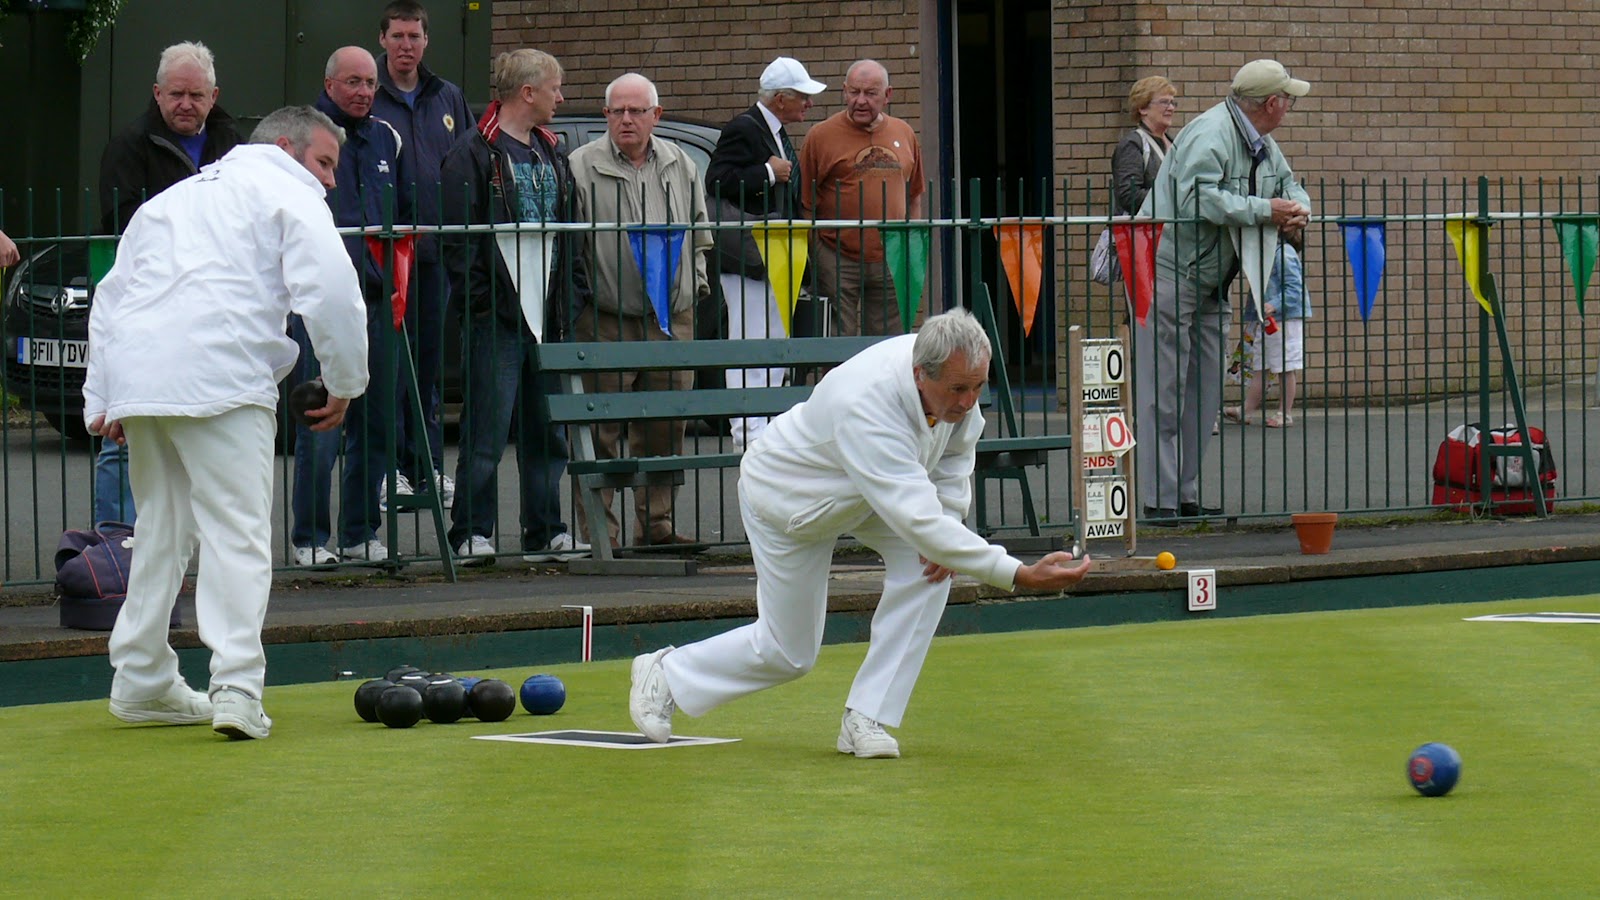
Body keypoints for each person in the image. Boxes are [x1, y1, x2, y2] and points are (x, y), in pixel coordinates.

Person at [627, 308, 1094, 757]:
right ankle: (666, 674)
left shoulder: (954, 385)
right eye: (958, 389)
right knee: (788, 654)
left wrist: (951, 529)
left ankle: (867, 716)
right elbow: (918, 519)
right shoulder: (868, 403)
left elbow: (953, 464)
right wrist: (1017, 573)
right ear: (920, 375)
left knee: (932, 566)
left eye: (978, 387)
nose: (969, 402)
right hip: (788, 502)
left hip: (865, 495)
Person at [85, 105, 368, 740]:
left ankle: (140, 679)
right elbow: (331, 289)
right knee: (237, 532)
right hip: (224, 376)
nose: (330, 180)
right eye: (325, 163)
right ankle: (237, 686)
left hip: (144, 377)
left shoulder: (171, 201)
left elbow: (113, 294)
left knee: (162, 529)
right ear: (287, 148)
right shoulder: (288, 192)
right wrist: (347, 383)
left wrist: (105, 394)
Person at [1133, 59, 1311, 522]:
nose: (1289, 107)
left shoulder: (1262, 144)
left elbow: (1290, 185)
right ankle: (1160, 499)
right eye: (1288, 100)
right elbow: (1199, 199)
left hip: (1214, 280)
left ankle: (1184, 494)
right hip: (1171, 271)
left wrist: (1298, 209)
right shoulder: (1210, 134)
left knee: (1205, 391)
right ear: (1271, 103)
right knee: (1163, 389)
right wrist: (1266, 210)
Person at [440, 48, 591, 566]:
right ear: (528, 93)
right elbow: (458, 241)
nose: (560, 97)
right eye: (555, 87)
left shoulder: (551, 151)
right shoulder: (473, 153)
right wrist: (482, 303)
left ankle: (545, 532)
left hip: (549, 313)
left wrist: (573, 293)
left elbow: (570, 232)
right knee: (486, 429)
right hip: (497, 318)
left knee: (547, 430)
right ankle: (470, 532)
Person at [95, 41, 243, 528]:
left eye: (196, 95)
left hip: (211, 306)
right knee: (127, 426)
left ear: (214, 96)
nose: (186, 104)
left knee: (199, 430)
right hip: (147, 304)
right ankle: (115, 544)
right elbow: (123, 227)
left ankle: (176, 543)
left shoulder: (233, 145)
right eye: (176, 94)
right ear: (157, 93)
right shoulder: (128, 147)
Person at [568, 73, 713, 550]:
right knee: (601, 431)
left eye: (636, 111)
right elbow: (570, 247)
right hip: (606, 319)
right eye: (617, 111)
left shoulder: (680, 163)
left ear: (657, 115)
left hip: (671, 320)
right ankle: (600, 536)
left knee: (666, 427)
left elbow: (700, 232)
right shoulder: (580, 166)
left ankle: (657, 528)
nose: (626, 119)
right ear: (606, 116)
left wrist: (694, 283)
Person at [290, 46, 402, 565]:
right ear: (329, 83)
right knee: (321, 422)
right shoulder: (308, 134)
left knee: (375, 422)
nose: (363, 92)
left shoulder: (385, 137)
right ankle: (310, 539)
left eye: (370, 83)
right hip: (321, 301)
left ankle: (360, 533)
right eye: (353, 82)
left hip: (378, 297)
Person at [372, 0, 474, 511]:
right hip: (384, 256)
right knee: (390, 367)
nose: (406, 45)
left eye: (414, 36)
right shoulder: (368, 94)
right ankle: (389, 471)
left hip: (436, 255)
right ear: (383, 40)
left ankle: (428, 468)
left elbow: (468, 159)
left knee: (429, 367)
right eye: (397, 36)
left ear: (426, 40)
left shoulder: (447, 95)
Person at [706, 56, 826, 450]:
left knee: (774, 337)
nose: (808, 104)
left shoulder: (772, 130)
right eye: (802, 96)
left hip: (775, 251)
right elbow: (717, 180)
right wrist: (769, 173)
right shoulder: (744, 127)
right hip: (750, 256)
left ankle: (767, 424)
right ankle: (747, 431)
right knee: (751, 337)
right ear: (780, 98)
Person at [799, 59, 925, 337]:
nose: (860, 101)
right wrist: (817, 253)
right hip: (835, 257)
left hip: (891, 256)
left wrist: (908, 242)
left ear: (888, 95)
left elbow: (915, 194)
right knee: (836, 341)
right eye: (854, 92)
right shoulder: (820, 136)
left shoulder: (904, 133)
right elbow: (806, 203)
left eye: (870, 93)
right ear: (844, 91)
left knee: (887, 342)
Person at [1225, 243, 1309, 428]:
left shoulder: (1283, 253)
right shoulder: (1267, 254)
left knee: (1285, 366)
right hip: (1267, 319)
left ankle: (1285, 413)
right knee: (1261, 365)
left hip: (1283, 319)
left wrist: (1274, 304)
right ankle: (1246, 410)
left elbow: (1295, 289)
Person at [1112, 76, 1178, 218]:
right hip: (1142, 229)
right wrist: (1174, 198)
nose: (1171, 108)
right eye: (1164, 102)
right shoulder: (1132, 145)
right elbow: (1129, 196)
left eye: (1173, 102)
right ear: (1142, 108)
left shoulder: (1175, 144)